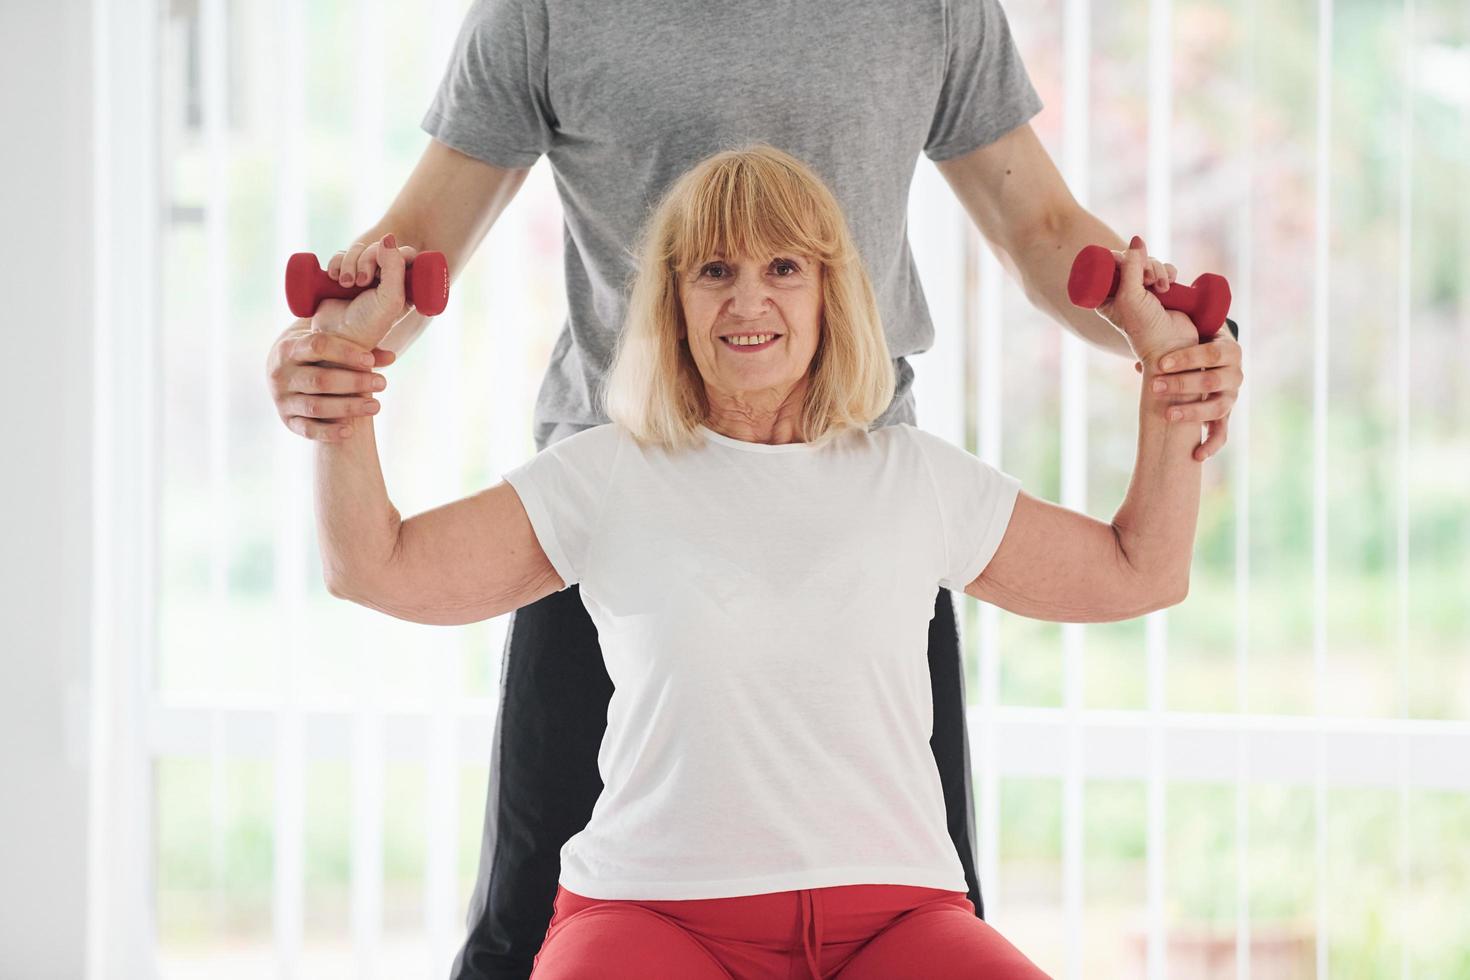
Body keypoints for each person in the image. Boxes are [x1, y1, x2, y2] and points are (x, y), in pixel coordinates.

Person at [263, 2, 1244, 975]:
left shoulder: (930, 13)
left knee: (917, 906)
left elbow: (1043, 226)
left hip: (860, 519)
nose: (749, 298)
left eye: (784, 269)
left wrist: (1175, 363)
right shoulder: (543, 12)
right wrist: (332, 368)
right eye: (717, 271)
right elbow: (417, 245)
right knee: (524, 938)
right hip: (613, 512)